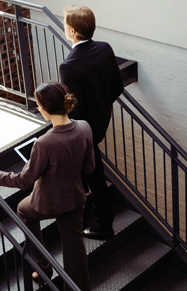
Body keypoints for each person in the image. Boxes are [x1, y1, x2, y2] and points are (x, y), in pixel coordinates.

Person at [0, 82, 94, 291]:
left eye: (39, 105)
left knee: (23, 211)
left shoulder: (43, 143)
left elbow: (23, 181)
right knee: (75, 249)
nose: (38, 108)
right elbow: (89, 167)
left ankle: (42, 265)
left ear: (46, 108)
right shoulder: (85, 127)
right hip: (75, 199)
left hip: (47, 203)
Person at [59, 5, 124, 240]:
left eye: (66, 25)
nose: (64, 28)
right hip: (102, 121)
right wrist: (102, 108)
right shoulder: (105, 49)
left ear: (74, 31)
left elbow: (76, 109)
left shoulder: (69, 65)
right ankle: (85, 205)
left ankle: (104, 225)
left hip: (85, 129)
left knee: (95, 175)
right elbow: (117, 87)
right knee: (87, 170)